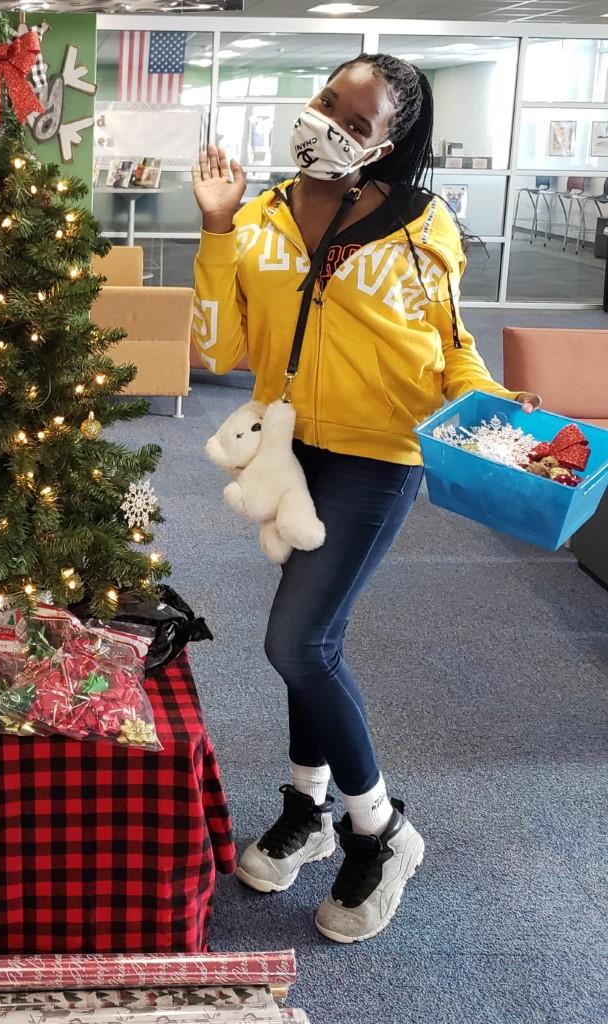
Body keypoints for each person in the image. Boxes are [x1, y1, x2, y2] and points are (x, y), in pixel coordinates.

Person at [191, 53, 540, 944]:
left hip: (380, 457)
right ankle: (307, 806)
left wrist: (495, 404)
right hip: (289, 451)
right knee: (314, 642)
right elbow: (218, 346)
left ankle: (380, 830)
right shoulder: (262, 216)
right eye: (326, 102)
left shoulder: (425, 226)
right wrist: (218, 227)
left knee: (296, 640)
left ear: (391, 139)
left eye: (356, 118)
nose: (329, 124)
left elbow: (450, 348)